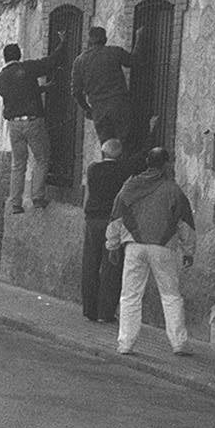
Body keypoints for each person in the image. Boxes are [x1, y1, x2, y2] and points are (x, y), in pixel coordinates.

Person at [106, 148, 195, 357]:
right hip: (163, 247)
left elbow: (116, 218)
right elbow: (185, 225)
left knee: (130, 296)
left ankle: (125, 343)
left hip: (134, 247)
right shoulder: (173, 190)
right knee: (171, 295)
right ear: (166, 165)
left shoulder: (129, 187)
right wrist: (188, 250)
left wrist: (112, 245)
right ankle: (178, 342)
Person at [0, 33, 65, 213]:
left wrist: (41, 89)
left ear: (5, 57)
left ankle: (16, 203)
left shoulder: (2, 77)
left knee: (18, 164)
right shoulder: (26, 68)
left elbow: (19, 93)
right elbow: (49, 63)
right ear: (18, 55)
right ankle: (37, 197)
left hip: (14, 125)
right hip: (32, 122)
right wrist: (62, 44)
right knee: (41, 158)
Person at [81, 138, 135, 323]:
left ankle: (89, 309)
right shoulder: (122, 171)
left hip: (93, 220)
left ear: (102, 153)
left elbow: (87, 193)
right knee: (111, 267)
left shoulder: (92, 169)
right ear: (119, 155)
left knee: (90, 264)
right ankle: (106, 312)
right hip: (112, 222)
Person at [72, 26, 136, 150]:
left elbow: (76, 92)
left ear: (89, 40)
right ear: (105, 39)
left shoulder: (79, 61)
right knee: (125, 144)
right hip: (119, 104)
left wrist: (88, 109)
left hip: (98, 109)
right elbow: (134, 61)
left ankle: (108, 169)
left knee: (107, 148)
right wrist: (139, 39)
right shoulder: (114, 52)